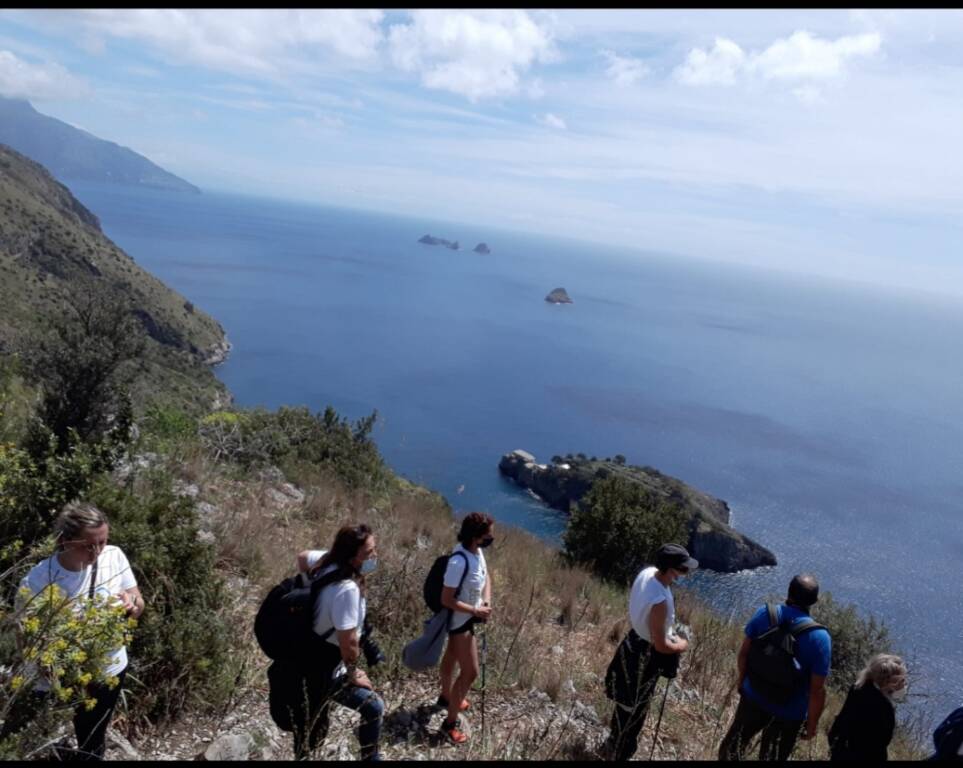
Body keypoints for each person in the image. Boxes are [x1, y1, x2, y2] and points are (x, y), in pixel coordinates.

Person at [8, 501, 145, 761]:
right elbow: (25, 641)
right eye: (88, 545)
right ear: (65, 541)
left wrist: (130, 603)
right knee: (35, 741)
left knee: (92, 740)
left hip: (108, 669)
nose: (97, 552)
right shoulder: (39, 579)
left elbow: (139, 605)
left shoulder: (114, 556)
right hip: (58, 679)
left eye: (102, 542)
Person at [291, 524, 384, 761]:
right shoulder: (346, 590)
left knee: (308, 725)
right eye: (368, 552)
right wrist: (353, 673)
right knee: (374, 707)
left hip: (306, 653)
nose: (374, 556)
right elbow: (348, 642)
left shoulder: (327, 563)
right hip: (326, 667)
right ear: (352, 556)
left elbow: (302, 557)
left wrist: (307, 586)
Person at [718, 574, 832, 762]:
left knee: (730, 749)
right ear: (814, 601)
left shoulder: (765, 614)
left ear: (789, 592)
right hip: (789, 713)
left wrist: (742, 682)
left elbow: (744, 653)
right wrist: (812, 725)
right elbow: (817, 690)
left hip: (753, 695)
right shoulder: (820, 638)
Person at [602, 543, 697, 761]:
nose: (685, 573)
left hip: (633, 640)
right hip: (644, 654)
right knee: (635, 708)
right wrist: (681, 645)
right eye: (682, 569)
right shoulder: (660, 602)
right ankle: (622, 752)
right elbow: (661, 645)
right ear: (670, 569)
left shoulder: (647, 574)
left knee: (625, 702)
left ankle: (613, 741)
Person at [437, 512, 494, 745]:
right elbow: (446, 599)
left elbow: (486, 577)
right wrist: (474, 611)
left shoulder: (477, 552)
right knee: (470, 673)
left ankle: (446, 696)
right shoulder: (458, 561)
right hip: (459, 622)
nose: (492, 537)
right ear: (477, 537)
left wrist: (486, 602)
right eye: (489, 534)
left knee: (451, 656)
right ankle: (448, 725)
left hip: (469, 618)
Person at [828, 653, 907, 761]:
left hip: (842, 750)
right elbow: (883, 741)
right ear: (889, 682)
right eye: (902, 680)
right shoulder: (884, 707)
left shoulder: (858, 688)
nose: (904, 684)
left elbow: (841, 721)